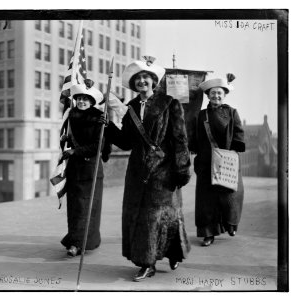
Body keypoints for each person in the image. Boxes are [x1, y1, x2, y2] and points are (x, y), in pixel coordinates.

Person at [104, 56, 191, 282]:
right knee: (143, 217)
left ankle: (172, 252)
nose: (142, 81)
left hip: (164, 169)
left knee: (164, 215)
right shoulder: (131, 107)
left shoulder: (170, 103)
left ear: (153, 81)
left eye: (146, 77)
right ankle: (147, 262)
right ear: (133, 84)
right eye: (138, 79)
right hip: (137, 170)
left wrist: (182, 168)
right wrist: (109, 127)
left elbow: (180, 139)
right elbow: (126, 141)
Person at [190, 74, 245, 247]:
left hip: (228, 160)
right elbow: (194, 138)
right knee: (206, 200)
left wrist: (234, 151)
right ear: (207, 95)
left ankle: (231, 222)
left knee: (231, 196)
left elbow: (238, 133)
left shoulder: (232, 112)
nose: (216, 96)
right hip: (206, 162)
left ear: (225, 95)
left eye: (219, 93)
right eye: (213, 93)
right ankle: (208, 233)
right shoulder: (201, 115)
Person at [59, 79, 105, 257]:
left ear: (92, 101)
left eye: (86, 99)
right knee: (75, 207)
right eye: (79, 98)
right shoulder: (71, 116)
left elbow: (98, 146)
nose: (81, 102)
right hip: (75, 169)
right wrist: (65, 141)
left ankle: (79, 244)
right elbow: (70, 140)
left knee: (87, 208)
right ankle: (75, 240)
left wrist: (74, 151)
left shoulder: (98, 118)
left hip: (90, 169)